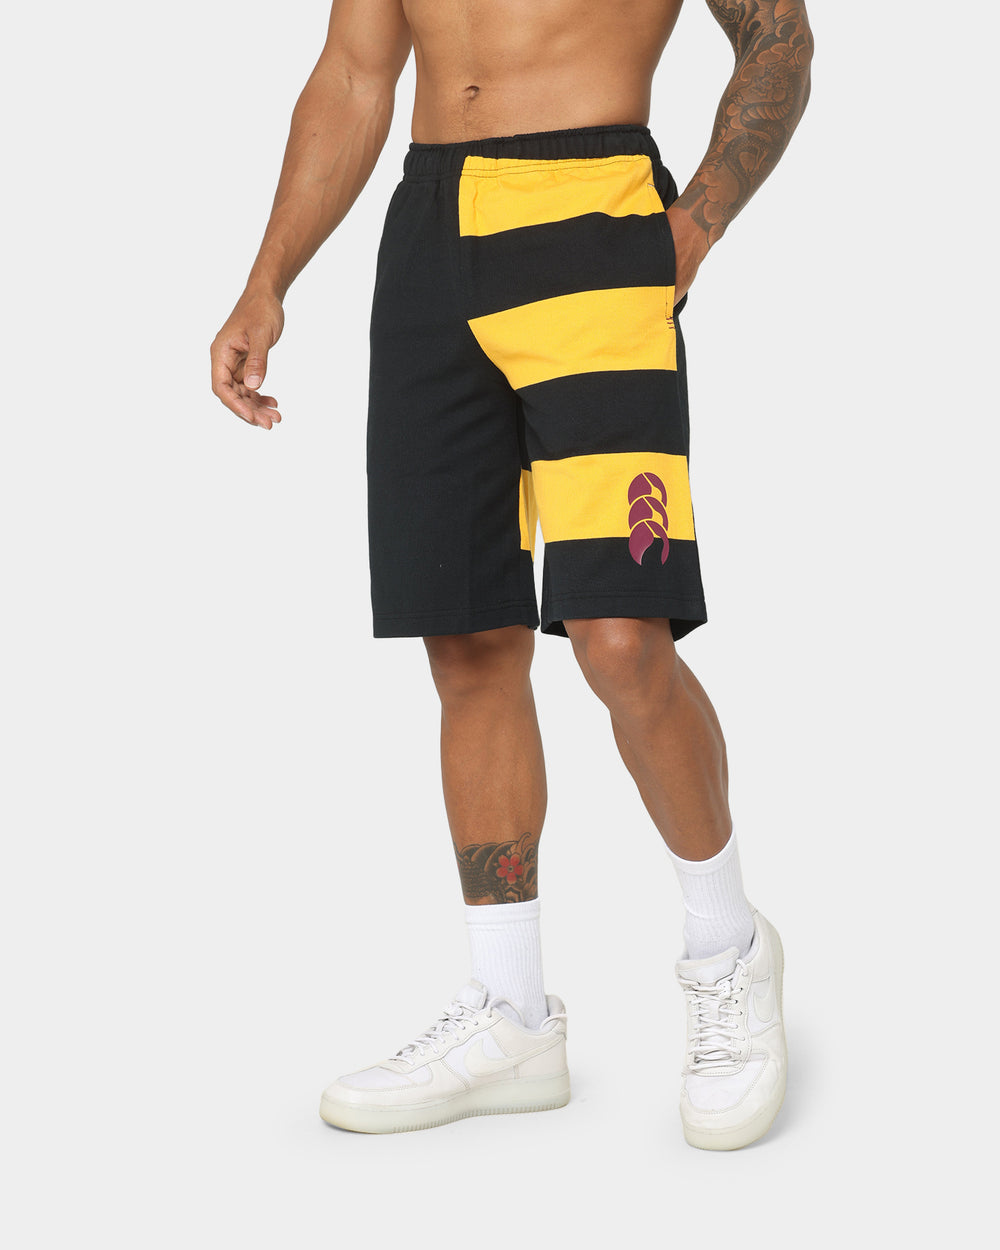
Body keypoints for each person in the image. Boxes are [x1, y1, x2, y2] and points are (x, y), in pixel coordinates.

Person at [210, 0, 813, 1149]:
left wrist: (693, 224)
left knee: (620, 637)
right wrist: (266, 279)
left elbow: (778, 36)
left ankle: (726, 946)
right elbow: (353, 73)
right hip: (431, 236)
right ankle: (512, 1013)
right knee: (468, 636)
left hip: (596, 224)